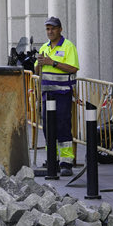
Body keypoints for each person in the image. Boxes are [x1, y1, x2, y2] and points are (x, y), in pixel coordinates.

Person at [36, 16, 79, 174]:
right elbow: (37, 71)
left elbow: (73, 68)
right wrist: (39, 63)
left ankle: (66, 162)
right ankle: (51, 158)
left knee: (62, 125)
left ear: (60, 29)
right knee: (48, 127)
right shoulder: (44, 48)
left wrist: (52, 62)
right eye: (48, 28)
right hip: (48, 94)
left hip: (62, 93)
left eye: (53, 28)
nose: (50, 31)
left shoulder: (68, 46)